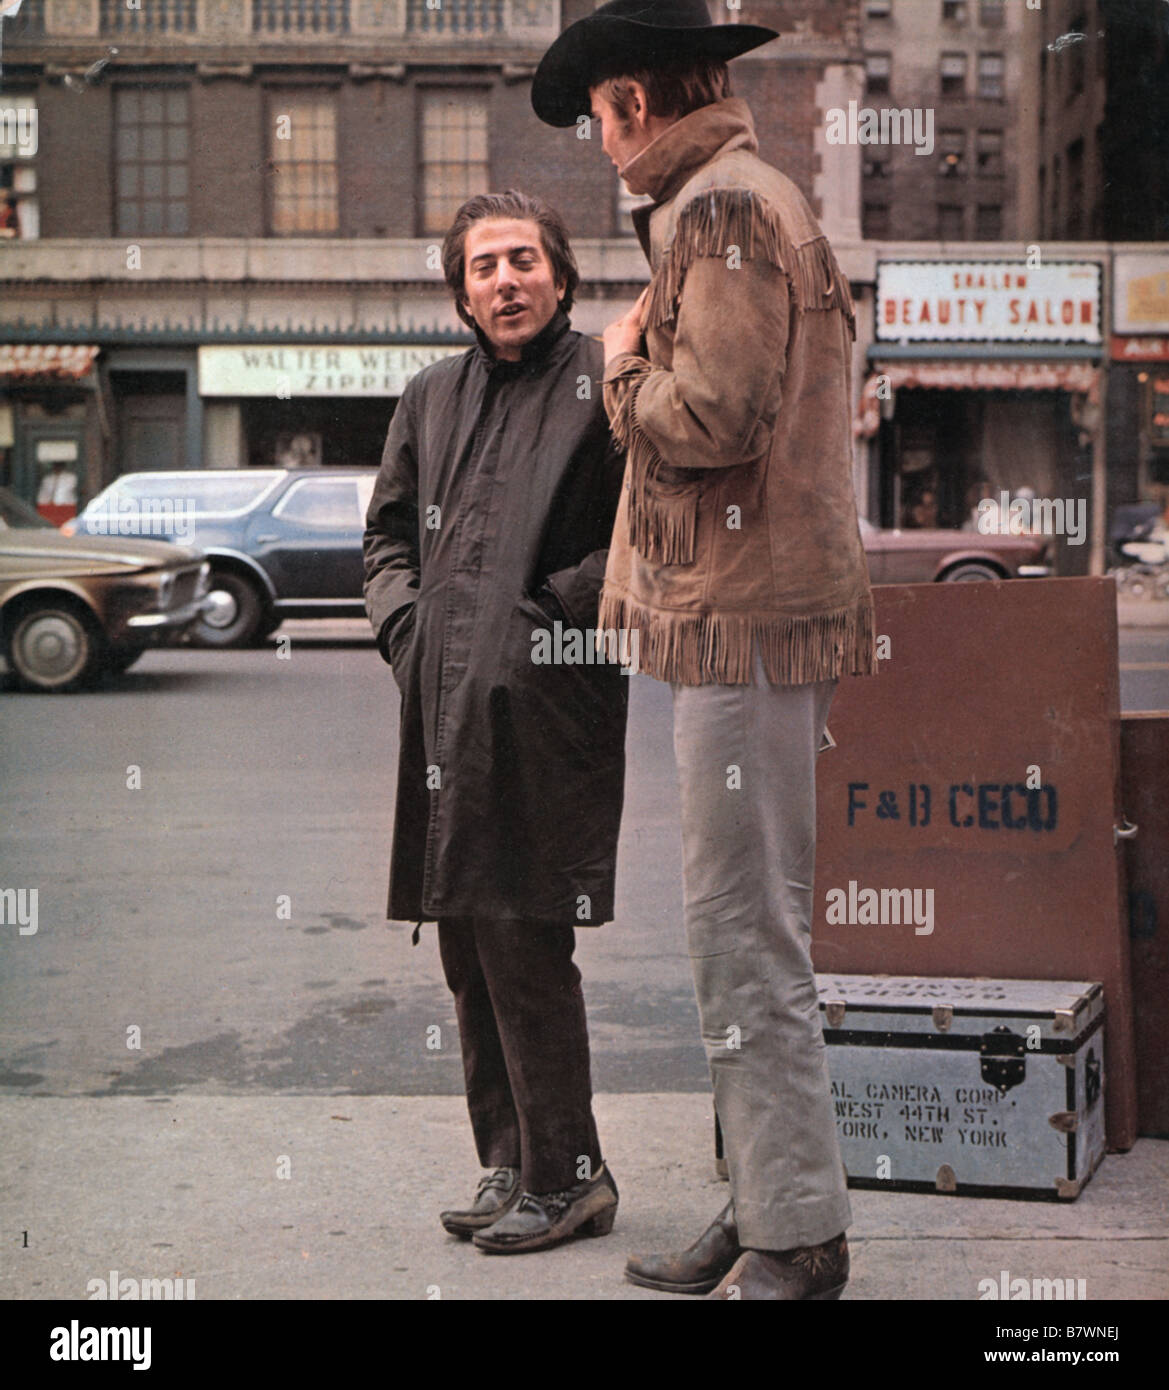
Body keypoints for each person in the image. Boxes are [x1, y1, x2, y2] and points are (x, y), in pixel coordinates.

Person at [532, 0, 878, 1299]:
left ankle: (796, 1234)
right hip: (751, 611)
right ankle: (765, 1203)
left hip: (748, 618)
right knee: (737, 926)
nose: (603, 146)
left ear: (631, 106)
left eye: (600, 119)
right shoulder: (730, 197)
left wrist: (619, 368)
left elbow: (718, 413)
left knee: (745, 933)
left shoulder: (719, 212)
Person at [363, 190, 628, 1255]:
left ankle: (570, 1174)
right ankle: (510, 1162)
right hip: (440, 703)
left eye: (523, 260)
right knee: (466, 937)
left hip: (544, 701)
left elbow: (651, 535)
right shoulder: (430, 395)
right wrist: (405, 632)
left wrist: (542, 617)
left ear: (559, 276)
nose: (505, 280)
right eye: (483, 267)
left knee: (524, 934)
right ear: (460, 290)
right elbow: (384, 539)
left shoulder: (607, 383)